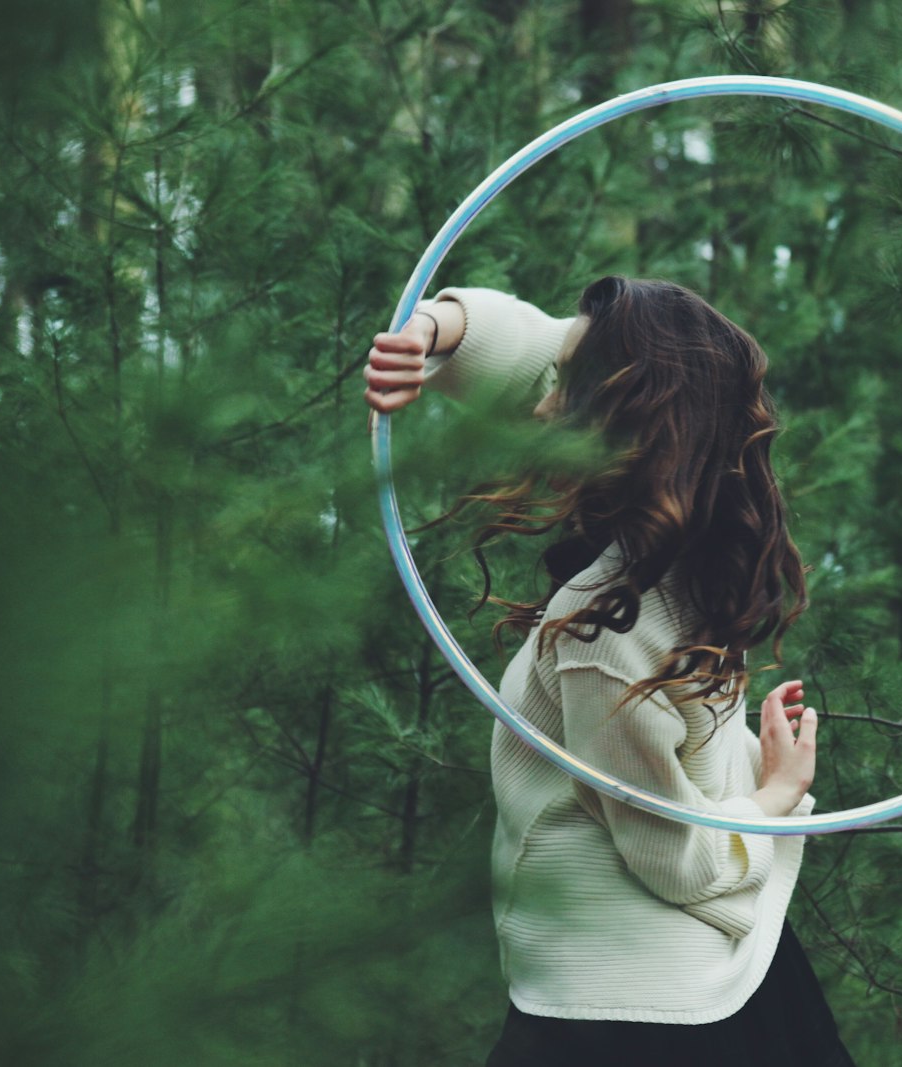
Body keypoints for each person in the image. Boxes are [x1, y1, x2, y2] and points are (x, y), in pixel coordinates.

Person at [364, 277, 856, 1066]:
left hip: (640, 1021)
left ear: (614, 420)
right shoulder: (681, 549)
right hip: (695, 988)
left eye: (561, 387)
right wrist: (431, 327)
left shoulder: (607, 626)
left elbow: (676, 857)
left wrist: (773, 793)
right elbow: (534, 350)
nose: (538, 404)